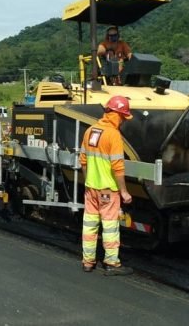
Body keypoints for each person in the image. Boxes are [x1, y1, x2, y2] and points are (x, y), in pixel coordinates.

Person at [80, 95, 134, 275]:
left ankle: (88, 262)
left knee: (89, 226)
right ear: (117, 115)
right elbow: (117, 167)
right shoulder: (113, 135)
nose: (124, 121)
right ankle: (111, 263)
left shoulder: (90, 131)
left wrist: (88, 182)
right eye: (123, 117)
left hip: (91, 188)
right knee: (110, 227)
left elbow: (83, 161)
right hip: (108, 190)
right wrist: (124, 192)